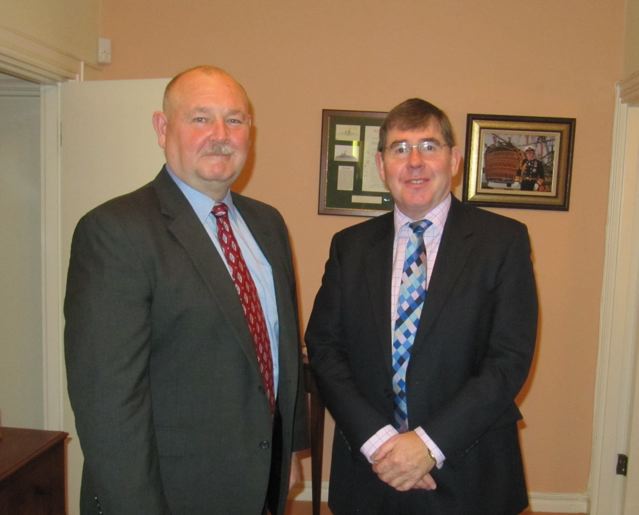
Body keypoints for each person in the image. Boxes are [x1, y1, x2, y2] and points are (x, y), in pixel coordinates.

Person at [65, 65, 308, 515]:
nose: (220, 134)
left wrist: (289, 446)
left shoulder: (268, 224)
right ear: (162, 128)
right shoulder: (115, 232)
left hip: (259, 478)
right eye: (200, 118)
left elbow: (282, 348)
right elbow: (108, 404)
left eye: (235, 120)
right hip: (170, 492)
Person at [306, 98, 538, 515]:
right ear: (381, 165)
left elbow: (508, 359)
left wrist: (428, 445)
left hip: (471, 469)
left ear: (454, 160)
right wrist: (380, 443)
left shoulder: (503, 242)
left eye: (429, 146)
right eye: (400, 148)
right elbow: (324, 349)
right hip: (370, 469)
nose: (414, 162)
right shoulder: (349, 247)